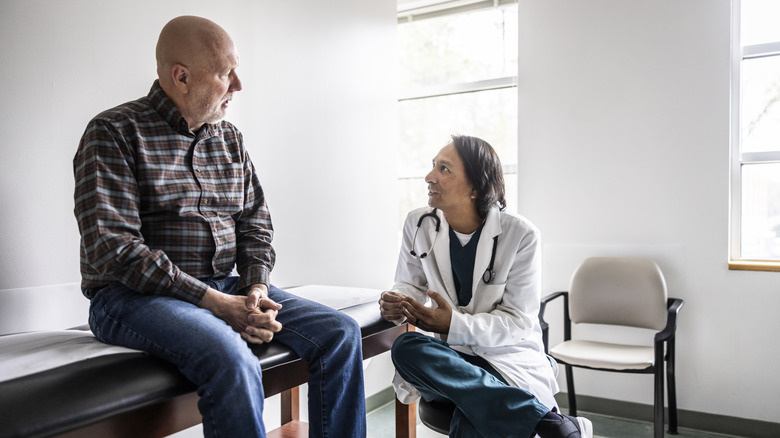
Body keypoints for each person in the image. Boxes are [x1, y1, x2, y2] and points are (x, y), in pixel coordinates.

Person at [73, 16, 365, 438]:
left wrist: (255, 290)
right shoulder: (114, 132)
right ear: (182, 77)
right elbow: (112, 247)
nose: (239, 84)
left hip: (227, 285)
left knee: (340, 332)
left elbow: (255, 224)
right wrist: (213, 302)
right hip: (130, 298)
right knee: (230, 356)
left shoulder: (229, 139)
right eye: (227, 73)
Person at [379, 135, 593, 438]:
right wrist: (399, 300)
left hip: (504, 357)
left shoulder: (521, 235)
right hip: (451, 361)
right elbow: (408, 282)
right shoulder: (418, 223)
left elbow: (518, 321)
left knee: (474, 417)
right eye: (432, 167)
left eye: (444, 169)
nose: (429, 177)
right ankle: (548, 424)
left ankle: (529, 416)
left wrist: (452, 323)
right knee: (406, 347)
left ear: (476, 188)